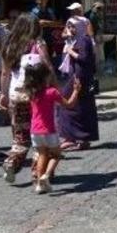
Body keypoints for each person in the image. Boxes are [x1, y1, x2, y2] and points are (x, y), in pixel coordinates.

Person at [0, 14, 54, 182]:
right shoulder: (38, 43)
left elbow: (4, 73)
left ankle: (11, 162)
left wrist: (4, 94)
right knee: (40, 135)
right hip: (36, 96)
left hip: (16, 95)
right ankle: (37, 173)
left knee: (21, 137)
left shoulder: (9, 45)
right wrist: (54, 89)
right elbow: (48, 68)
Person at [23, 62, 81, 193]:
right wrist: (76, 90)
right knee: (56, 154)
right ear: (45, 77)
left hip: (35, 131)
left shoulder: (31, 93)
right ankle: (46, 175)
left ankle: (39, 184)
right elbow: (70, 104)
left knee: (42, 155)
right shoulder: (51, 92)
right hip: (49, 130)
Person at [57, 19, 99, 151]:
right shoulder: (75, 39)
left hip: (80, 78)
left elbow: (84, 58)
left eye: (72, 26)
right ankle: (83, 138)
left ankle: (70, 138)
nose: (69, 28)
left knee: (66, 104)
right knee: (81, 107)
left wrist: (70, 51)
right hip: (76, 77)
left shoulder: (84, 40)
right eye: (68, 25)